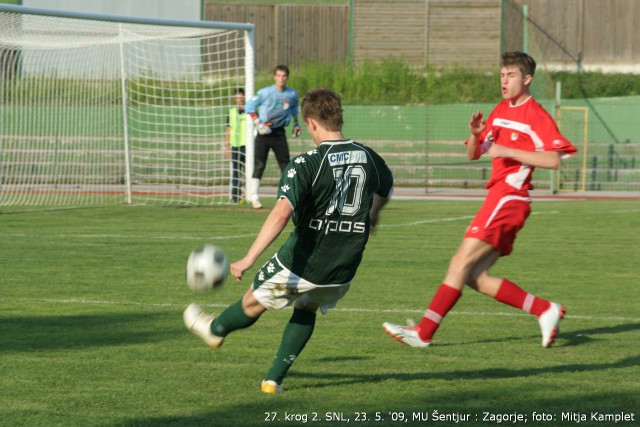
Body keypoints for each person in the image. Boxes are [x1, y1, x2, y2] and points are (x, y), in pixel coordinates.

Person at [184, 88, 394, 393]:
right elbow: (386, 188)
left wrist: (249, 258)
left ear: (310, 122)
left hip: (304, 262)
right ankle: (273, 380)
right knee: (306, 308)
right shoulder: (369, 157)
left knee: (253, 303)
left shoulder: (306, 163)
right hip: (344, 269)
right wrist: (373, 216)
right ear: (338, 117)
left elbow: (281, 213)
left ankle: (214, 329)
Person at [383, 51, 577, 349]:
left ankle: (423, 332)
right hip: (502, 199)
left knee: (459, 262)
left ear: (527, 79)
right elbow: (474, 154)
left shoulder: (536, 115)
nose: (504, 80)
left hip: (509, 198)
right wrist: (474, 135)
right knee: (475, 276)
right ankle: (543, 309)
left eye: (510, 75)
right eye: (502, 75)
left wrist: (509, 152)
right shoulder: (499, 110)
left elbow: (553, 160)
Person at [245, 64, 301, 209]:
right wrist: (258, 123)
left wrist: (296, 124)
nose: (281, 79)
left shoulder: (292, 94)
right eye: (278, 75)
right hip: (264, 133)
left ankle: (290, 196)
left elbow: (294, 109)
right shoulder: (265, 92)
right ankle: (254, 196)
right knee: (259, 164)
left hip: (279, 133)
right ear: (274, 77)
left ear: (287, 77)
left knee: (286, 165)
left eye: (284, 76)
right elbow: (249, 107)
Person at [225, 88, 247, 203]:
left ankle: (250, 196)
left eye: (242, 96)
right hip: (235, 146)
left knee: (249, 173)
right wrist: (227, 147)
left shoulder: (250, 110)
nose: (240, 99)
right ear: (235, 98)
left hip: (248, 147)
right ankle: (235, 197)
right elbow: (228, 129)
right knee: (235, 173)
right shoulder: (231, 111)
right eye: (238, 97)